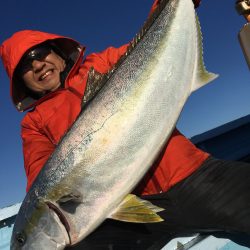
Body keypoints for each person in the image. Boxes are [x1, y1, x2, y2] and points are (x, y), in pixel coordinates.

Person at [2, 0, 250, 249]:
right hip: (124, 212)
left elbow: (152, 41)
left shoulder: (102, 64)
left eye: (39, 53)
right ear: (21, 82)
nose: (36, 65)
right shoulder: (33, 124)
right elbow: (41, 176)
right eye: (24, 67)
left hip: (191, 175)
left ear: (58, 52)